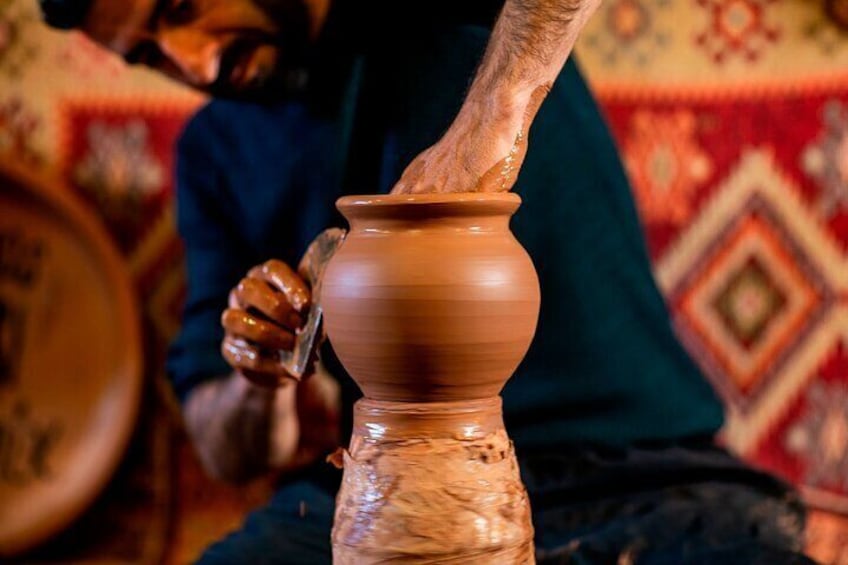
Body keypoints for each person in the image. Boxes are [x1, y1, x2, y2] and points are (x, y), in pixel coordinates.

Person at [40, 0, 814, 563]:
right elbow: (225, 443)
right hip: (391, 490)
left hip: (636, 467)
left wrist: (488, 130)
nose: (196, 61)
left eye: (182, 5)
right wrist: (260, 379)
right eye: (148, 56)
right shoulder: (211, 151)